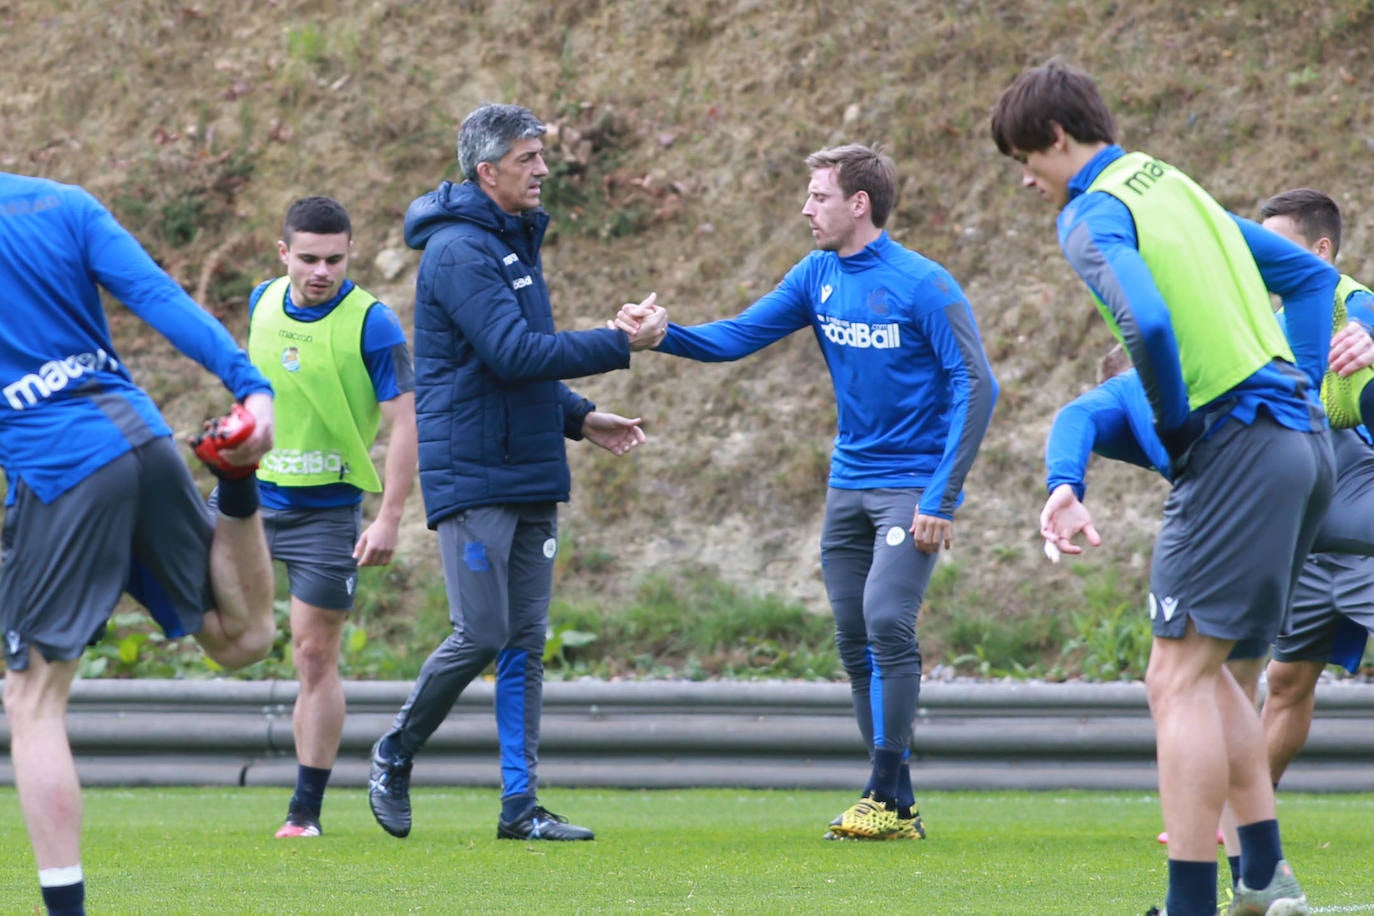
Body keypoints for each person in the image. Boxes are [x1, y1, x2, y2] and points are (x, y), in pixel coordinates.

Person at [993, 61, 1337, 916]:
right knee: (1215, 673)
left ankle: (1189, 907)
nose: (1026, 181)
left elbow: (1144, 321)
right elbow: (1307, 278)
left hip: (1239, 447)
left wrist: (1179, 426)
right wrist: (1293, 380)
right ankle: (1263, 878)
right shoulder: (1170, 183)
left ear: (1058, 139)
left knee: (1173, 677)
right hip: (1302, 444)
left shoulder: (1089, 212)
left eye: (1022, 161)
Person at [617, 143, 999, 841]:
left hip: (910, 487)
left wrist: (942, 497)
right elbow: (737, 338)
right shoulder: (815, 273)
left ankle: (882, 796)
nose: (805, 208)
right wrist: (665, 335)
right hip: (847, 484)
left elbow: (979, 385)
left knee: (887, 621)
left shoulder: (924, 284)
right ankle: (896, 804)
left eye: (818, 196)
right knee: (855, 642)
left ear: (859, 203)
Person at [365, 102, 665, 842]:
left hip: (528, 467)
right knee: (482, 631)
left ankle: (519, 807)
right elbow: (512, 354)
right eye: (529, 159)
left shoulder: (510, 240)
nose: (543, 170)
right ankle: (394, 752)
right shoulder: (461, 251)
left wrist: (579, 416)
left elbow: (512, 365)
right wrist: (622, 342)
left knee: (524, 643)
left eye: (542, 156)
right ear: (487, 170)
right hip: (474, 475)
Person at [0, 172, 277, 915]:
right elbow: (158, 296)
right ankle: (237, 479)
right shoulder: (59, 202)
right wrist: (251, 388)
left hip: (61, 469)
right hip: (141, 436)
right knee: (241, 638)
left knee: (30, 700)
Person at [242, 196, 417, 839]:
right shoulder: (261, 300)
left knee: (315, 656)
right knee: (187, 581)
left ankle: (303, 813)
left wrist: (390, 518)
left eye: (335, 259)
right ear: (283, 252)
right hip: (251, 495)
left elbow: (405, 424)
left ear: (350, 254)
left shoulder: (373, 324)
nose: (322, 271)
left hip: (327, 510)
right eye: (309, 258)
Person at [1256, 188, 1374, 787]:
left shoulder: (1355, 304)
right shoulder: (1267, 325)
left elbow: (1368, 326)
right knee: (1286, 679)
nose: (1261, 259)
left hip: (1362, 523)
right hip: (1306, 535)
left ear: (1321, 249)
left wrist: (1370, 343)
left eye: (1276, 246)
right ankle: (1244, 815)